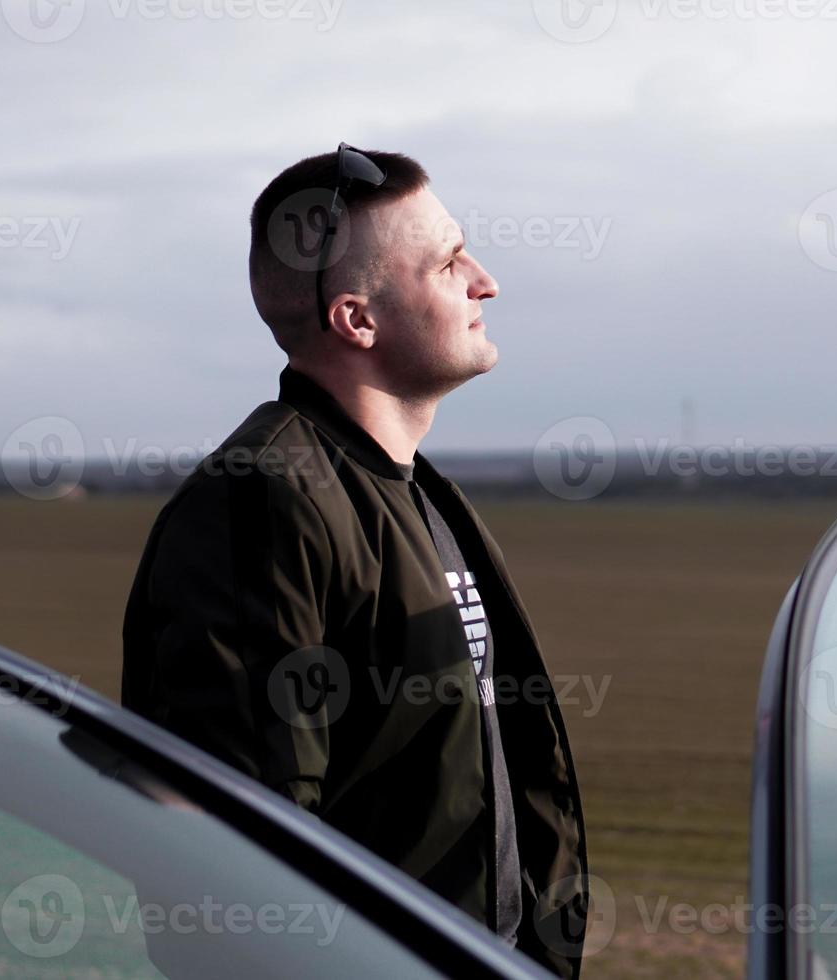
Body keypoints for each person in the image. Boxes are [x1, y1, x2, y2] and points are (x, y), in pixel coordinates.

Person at [121, 145, 590, 977]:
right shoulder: (263, 503)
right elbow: (242, 868)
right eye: (449, 263)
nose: (485, 281)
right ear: (357, 320)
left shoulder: (417, 493)